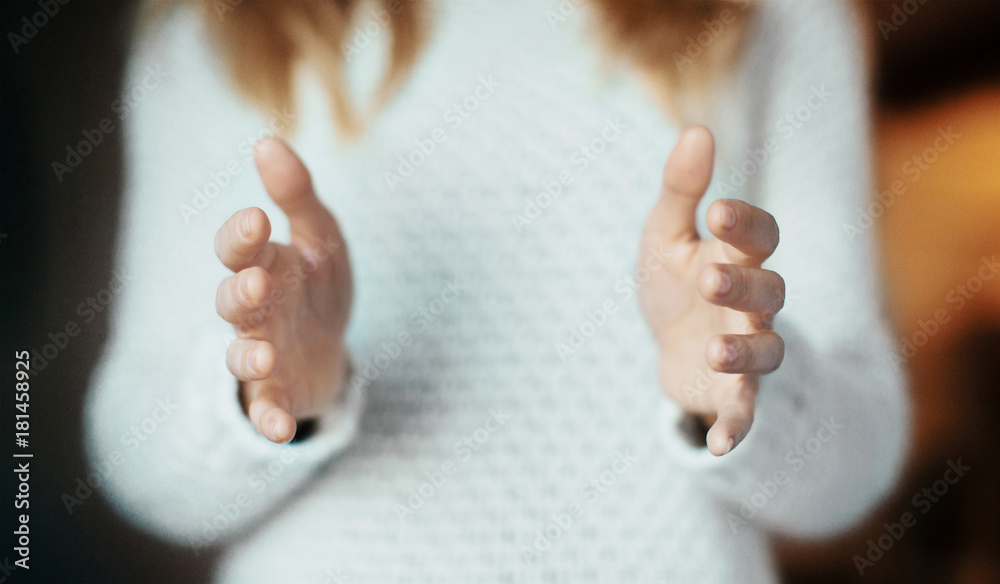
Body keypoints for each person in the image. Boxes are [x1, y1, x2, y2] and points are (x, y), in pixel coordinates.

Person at [85, 0, 908, 581]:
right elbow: (134, 446)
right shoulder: (219, 26)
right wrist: (262, 396)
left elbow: (862, 465)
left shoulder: (776, 14)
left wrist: (749, 391)